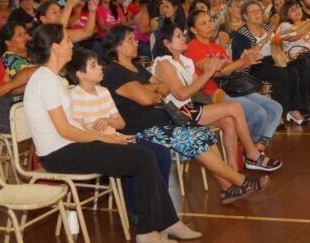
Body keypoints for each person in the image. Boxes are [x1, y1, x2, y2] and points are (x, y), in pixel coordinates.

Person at [22, 25, 191, 243]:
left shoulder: (52, 78)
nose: (72, 44)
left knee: (147, 153)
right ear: (55, 47)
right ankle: (148, 230)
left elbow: (73, 126)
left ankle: (166, 221)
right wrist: (108, 140)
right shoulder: (45, 80)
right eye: (67, 41)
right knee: (141, 157)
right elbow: (66, 131)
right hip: (59, 154)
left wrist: (110, 138)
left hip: (70, 147)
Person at [101, 26, 269, 207]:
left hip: (163, 120)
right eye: (130, 40)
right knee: (195, 138)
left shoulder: (137, 68)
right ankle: (240, 180)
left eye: (135, 39)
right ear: (117, 46)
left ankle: (227, 188)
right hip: (142, 129)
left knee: (205, 134)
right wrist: (152, 90)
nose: (136, 43)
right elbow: (147, 99)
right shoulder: (114, 72)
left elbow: (163, 87)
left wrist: (151, 89)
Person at [151, 25, 283, 170]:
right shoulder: (164, 63)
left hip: (190, 107)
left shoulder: (184, 60)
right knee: (235, 107)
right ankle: (252, 154)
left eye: (182, 35)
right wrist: (208, 73)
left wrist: (217, 68)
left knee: (229, 121)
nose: (184, 38)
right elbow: (181, 95)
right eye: (178, 36)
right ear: (167, 43)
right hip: (176, 112)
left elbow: (197, 87)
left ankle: (233, 170)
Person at [186, 9, 285, 151]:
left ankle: (258, 146)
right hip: (211, 93)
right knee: (258, 113)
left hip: (231, 87)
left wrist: (245, 61)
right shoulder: (193, 47)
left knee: (276, 108)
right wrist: (241, 61)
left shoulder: (216, 46)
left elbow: (230, 69)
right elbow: (216, 73)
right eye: (203, 23)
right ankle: (250, 149)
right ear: (193, 30)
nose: (210, 25)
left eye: (210, 21)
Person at [231, 0, 302, 125]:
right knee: (281, 75)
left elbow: (276, 43)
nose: (257, 14)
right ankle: (277, 113)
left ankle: (293, 108)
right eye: (253, 12)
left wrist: (281, 36)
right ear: (245, 16)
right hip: (253, 65)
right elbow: (246, 56)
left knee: (293, 70)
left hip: (272, 60)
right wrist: (265, 39)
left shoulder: (265, 27)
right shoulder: (241, 33)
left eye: (259, 11)